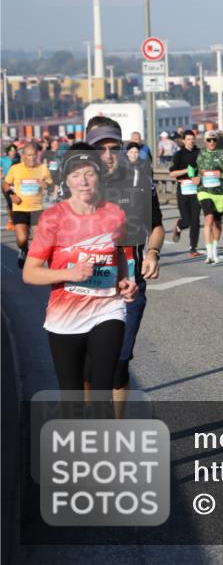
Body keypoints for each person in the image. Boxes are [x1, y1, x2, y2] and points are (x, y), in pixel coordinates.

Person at [22, 145, 138, 396]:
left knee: (102, 389)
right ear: (66, 181)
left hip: (108, 309)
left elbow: (117, 252)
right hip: (65, 316)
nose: (83, 181)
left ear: (99, 176)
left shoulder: (115, 214)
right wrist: (68, 274)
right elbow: (30, 273)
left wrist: (125, 279)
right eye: (76, 175)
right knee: (72, 395)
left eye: (89, 173)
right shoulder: (53, 218)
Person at [85, 118, 164, 416]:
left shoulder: (138, 181)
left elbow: (156, 226)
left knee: (119, 362)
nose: (107, 154)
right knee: (89, 363)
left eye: (113, 147)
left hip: (128, 287)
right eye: (99, 148)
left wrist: (153, 253)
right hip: (86, 288)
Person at [190, 130, 223, 264]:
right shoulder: (199, 153)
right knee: (208, 218)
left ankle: (215, 249)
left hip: (220, 192)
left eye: (214, 140)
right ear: (205, 141)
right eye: (209, 140)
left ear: (217, 141)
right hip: (204, 190)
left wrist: (222, 175)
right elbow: (191, 167)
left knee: (217, 224)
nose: (211, 142)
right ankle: (209, 254)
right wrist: (193, 177)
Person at [3, 142, 53, 267]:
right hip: (20, 208)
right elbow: (5, 184)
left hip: (37, 209)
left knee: (37, 239)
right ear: (23, 156)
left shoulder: (43, 168)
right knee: (22, 239)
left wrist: (46, 185)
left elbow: (50, 183)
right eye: (29, 155)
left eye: (34, 155)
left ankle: (33, 265)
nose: (32, 158)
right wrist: (11, 195)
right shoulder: (16, 168)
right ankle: (23, 250)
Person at [169, 130, 202, 257]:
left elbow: (204, 169)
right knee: (187, 220)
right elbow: (172, 173)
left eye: (192, 139)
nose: (191, 141)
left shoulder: (199, 153)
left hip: (196, 189)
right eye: (188, 139)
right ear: (183, 141)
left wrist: (199, 177)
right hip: (183, 189)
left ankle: (193, 248)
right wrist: (185, 170)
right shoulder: (179, 154)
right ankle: (179, 224)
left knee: (195, 220)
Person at [2, 144, 18, 229]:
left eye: (14, 151)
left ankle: (18, 221)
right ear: (8, 152)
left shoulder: (18, 160)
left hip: (17, 185)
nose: (13, 153)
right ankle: (10, 221)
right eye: (11, 151)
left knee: (17, 202)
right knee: (10, 203)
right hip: (6, 184)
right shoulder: (3, 159)